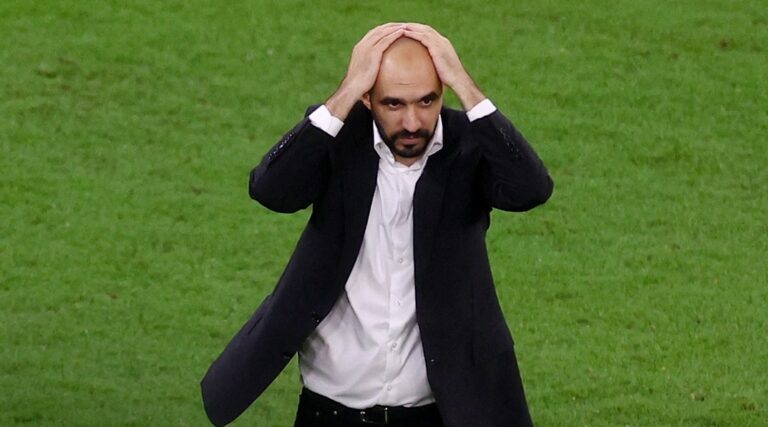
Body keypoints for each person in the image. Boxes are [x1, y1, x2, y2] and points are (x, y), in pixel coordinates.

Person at [201, 23, 553, 427]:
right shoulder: (338, 139)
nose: (412, 122)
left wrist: (464, 83)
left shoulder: (469, 146)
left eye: (427, 100)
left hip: (435, 415)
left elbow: (531, 189)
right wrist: (347, 90)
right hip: (329, 412)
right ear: (368, 98)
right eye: (393, 104)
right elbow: (271, 191)